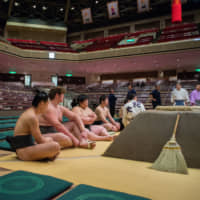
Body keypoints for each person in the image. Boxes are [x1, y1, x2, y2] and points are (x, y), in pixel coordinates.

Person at [7, 91, 61, 161]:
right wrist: (51, 144)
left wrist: (49, 141)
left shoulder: (31, 112)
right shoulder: (32, 117)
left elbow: (39, 139)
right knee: (55, 146)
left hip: (26, 146)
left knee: (51, 140)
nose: (47, 107)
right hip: (23, 151)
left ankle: (45, 154)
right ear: (41, 103)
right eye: (47, 104)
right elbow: (40, 140)